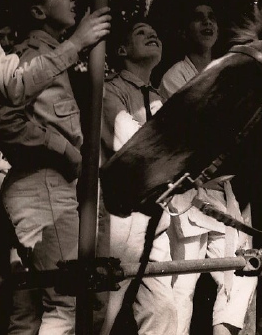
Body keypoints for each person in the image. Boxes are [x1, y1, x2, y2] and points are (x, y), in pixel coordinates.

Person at [0, 0, 111, 335]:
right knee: (66, 304)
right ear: (38, 12)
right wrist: (62, 149)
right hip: (42, 188)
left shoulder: (53, 55)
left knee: (27, 314)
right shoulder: (34, 56)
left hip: (38, 191)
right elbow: (2, 120)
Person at [160, 3, 256, 335]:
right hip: (187, 191)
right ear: (184, 30)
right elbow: (185, 133)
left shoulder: (226, 71)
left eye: (212, 17)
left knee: (241, 273)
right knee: (183, 284)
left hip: (222, 192)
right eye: (198, 17)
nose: (207, 22)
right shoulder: (175, 76)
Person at [100, 19, 176, 335]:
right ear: (122, 50)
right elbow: (129, 142)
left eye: (154, 31)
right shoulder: (110, 89)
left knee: (163, 309)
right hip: (121, 216)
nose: (152, 34)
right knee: (105, 312)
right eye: (140, 32)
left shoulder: (161, 99)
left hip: (156, 214)